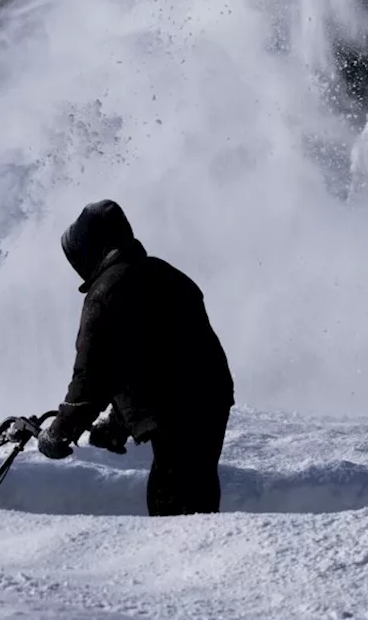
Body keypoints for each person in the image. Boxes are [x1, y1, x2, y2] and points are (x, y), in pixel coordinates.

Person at [35, 199, 234, 516]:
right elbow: (148, 363)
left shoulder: (106, 292)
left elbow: (92, 376)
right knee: (197, 490)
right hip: (211, 397)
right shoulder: (167, 273)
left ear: (91, 249)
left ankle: (189, 560)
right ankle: (202, 554)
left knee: (173, 502)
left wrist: (60, 432)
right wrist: (118, 424)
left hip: (177, 407)